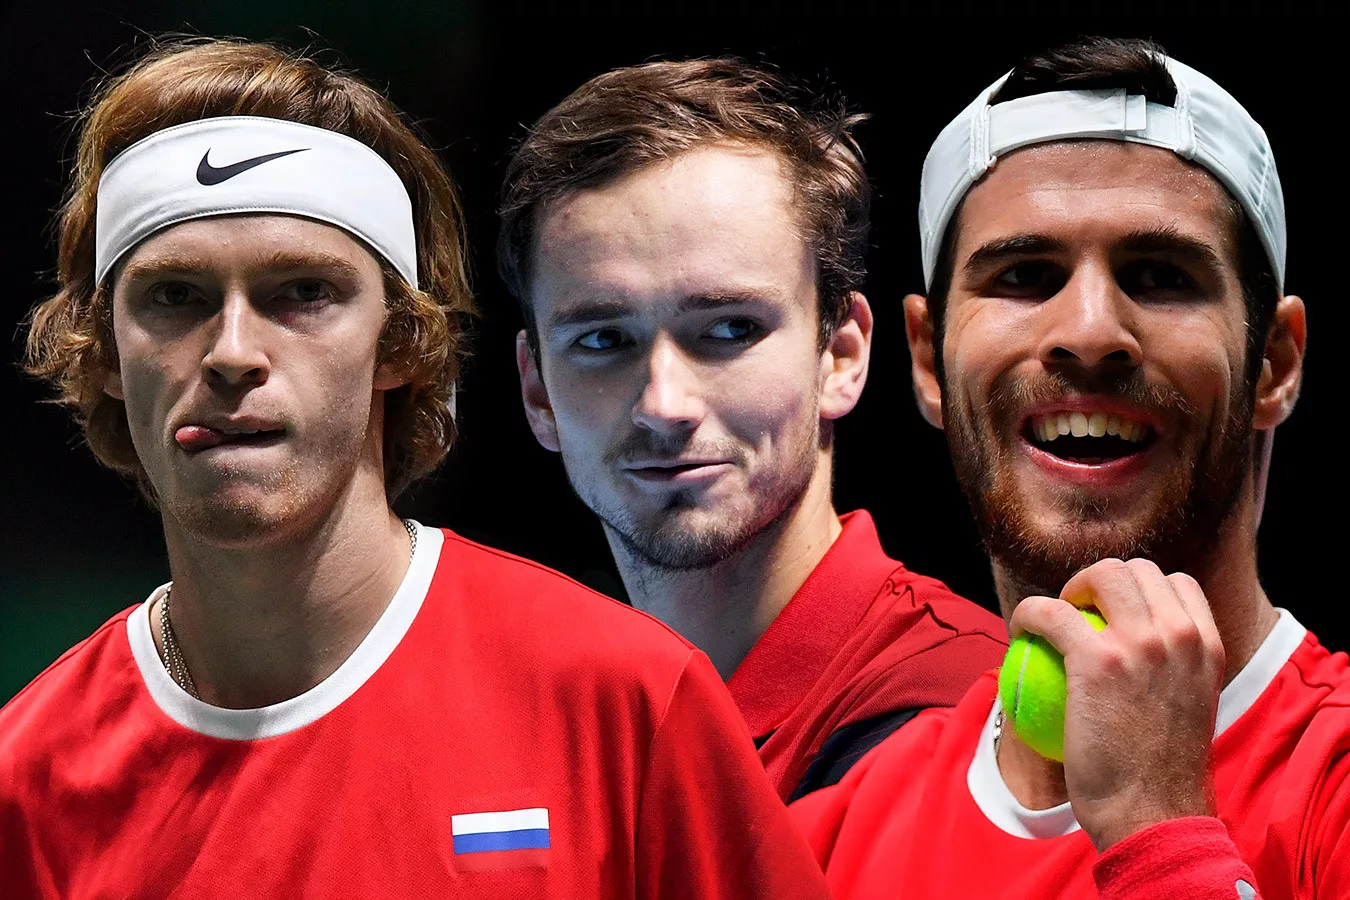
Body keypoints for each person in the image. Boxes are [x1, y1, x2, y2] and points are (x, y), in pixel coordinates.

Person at [0, 39, 829, 899]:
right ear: (104, 351)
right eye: (175, 296)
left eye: (303, 291)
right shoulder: (25, 776)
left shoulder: (628, 700)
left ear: (402, 340)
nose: (233, 353)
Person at [791, 37, 1349, 899]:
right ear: (928, 360)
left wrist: (1161, 833)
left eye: (1160, 276)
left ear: (1274, 362)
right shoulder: (822, 846)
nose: (1090, 331)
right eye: (1024, 275)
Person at [498, 58, 1006, 802]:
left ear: (840, 356)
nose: (664, 403)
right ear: (537, 390)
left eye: (730, 328)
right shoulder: (536, 728)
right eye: (603, 340)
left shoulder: (968, 718)